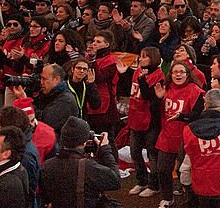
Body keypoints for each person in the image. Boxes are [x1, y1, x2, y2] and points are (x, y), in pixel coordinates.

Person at [39, 117, 121, 208]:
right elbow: (115, 181)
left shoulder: (47, 165)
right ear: (85, 141)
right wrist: (105, 150)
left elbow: (44, 195)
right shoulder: (89, 168)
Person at [182, 89, 220, 208]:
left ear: (205, 104)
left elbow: (186, 164)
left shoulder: (189, 131)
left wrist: (186, 184)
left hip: (201, 187)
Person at [156, 60, 205, 208]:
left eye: (182, 72)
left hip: (186, 137)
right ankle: (167, 198)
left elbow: (198, 116)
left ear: (188, 74)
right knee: (162, 169)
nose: (178, 75)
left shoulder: (195, 90)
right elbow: (156, 113)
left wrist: (182, 117)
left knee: (183, 172)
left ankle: (189, 200)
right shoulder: (166, 88)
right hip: (167, 135)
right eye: (175, 72)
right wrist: (158, 99)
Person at [128, 47, 164, 198]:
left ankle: (154, 185)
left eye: (144, 57)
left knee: (152, 154)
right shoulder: (137, 71)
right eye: (141, 56)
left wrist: (142, 81)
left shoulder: (159, 76)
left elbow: (150, 97)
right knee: (134, 151)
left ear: (153, 58)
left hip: (151, 121)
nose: (141, 59)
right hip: (135, 117)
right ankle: (141, 180)